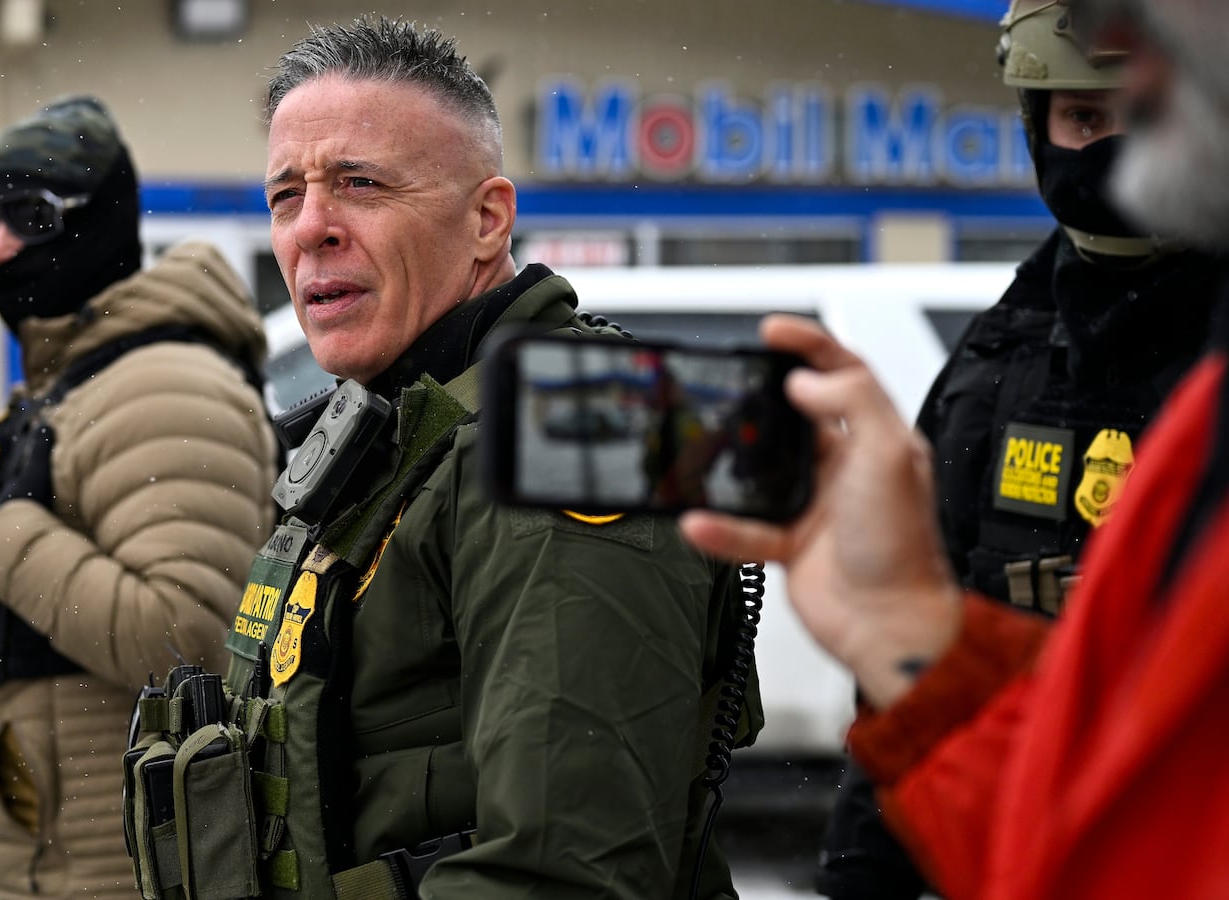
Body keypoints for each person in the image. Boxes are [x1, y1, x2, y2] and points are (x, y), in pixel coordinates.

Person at [130, 17, 761, 900]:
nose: (311, 229)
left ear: (486, 219)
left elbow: (563, 873)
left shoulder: (580, 435)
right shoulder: (391, 424)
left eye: (360, 184)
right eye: (285, 197)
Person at [682, 1, 1229, 896]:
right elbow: (913, 720)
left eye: (1154, 112)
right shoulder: (1000, 355)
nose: (1121, 152)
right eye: (1085, 118)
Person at [0, 96, 278, 899]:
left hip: (124, 867)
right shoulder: (76, 387)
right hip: (66, 859)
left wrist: (6, 537)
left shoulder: (162, 387)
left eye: (29, 217)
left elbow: (187, 641)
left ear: (103, 224)